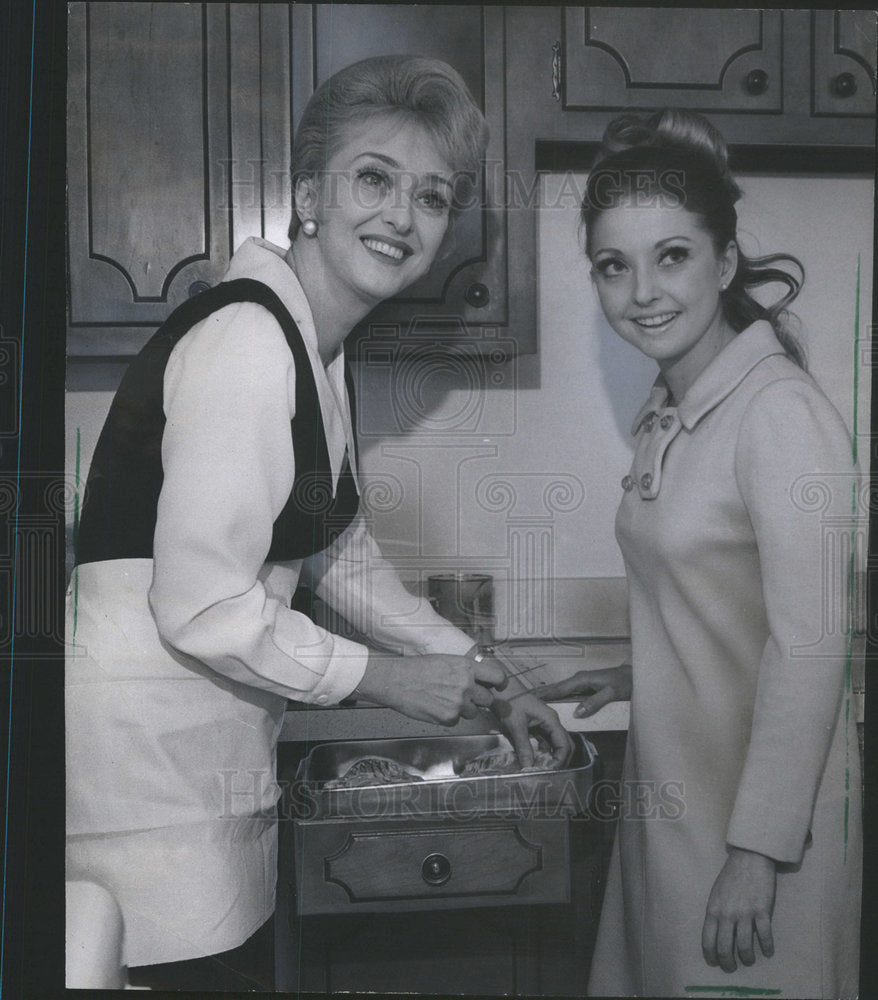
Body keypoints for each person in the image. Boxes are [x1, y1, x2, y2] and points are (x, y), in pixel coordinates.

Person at [66, 54, 571, 991]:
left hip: (193, 777)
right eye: (373, 179)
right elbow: (205, 605)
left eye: (431, 196)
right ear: (307, 191)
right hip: (146, 800)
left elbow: (335, 549)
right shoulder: (251, 341)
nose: (401, 217)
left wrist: (478, 673)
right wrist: (386, 679)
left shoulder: (309, 344)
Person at [538, 109, 861, 998]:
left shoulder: (779, 414)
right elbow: (727, 600)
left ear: (723, 263)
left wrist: (756, 854)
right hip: (675, 797)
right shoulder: (675, 407)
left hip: (752, 823)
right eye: (614, 265)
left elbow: (810, 645)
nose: (641, 291)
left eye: (670, 256)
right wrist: (632, 672)